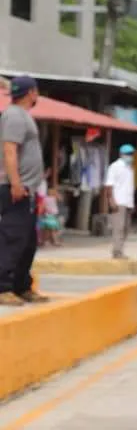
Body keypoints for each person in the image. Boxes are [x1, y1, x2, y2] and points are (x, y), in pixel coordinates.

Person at [0, 76, 48, 306]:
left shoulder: (21, 115)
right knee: (12, 238)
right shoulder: (14, 116)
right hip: (15, 189)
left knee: (28, 242)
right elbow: (9, 150)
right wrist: (16, 183)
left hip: (27, 189)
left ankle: (21, 285)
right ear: (31, 92)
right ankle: (3, 287)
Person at [105, 144, 137, 259]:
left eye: (131, 154)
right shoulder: (115, 166)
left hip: (128, 201)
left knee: (126, 228)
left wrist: (132, 203)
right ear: (121, 154)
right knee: (118, 227)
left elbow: (130, 186)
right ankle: (117, 252)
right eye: (128, 154)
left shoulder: (130, 168)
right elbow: (109, 185)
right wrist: (111, 200)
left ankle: (120, 250)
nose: (130, 156)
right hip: (118, 201)